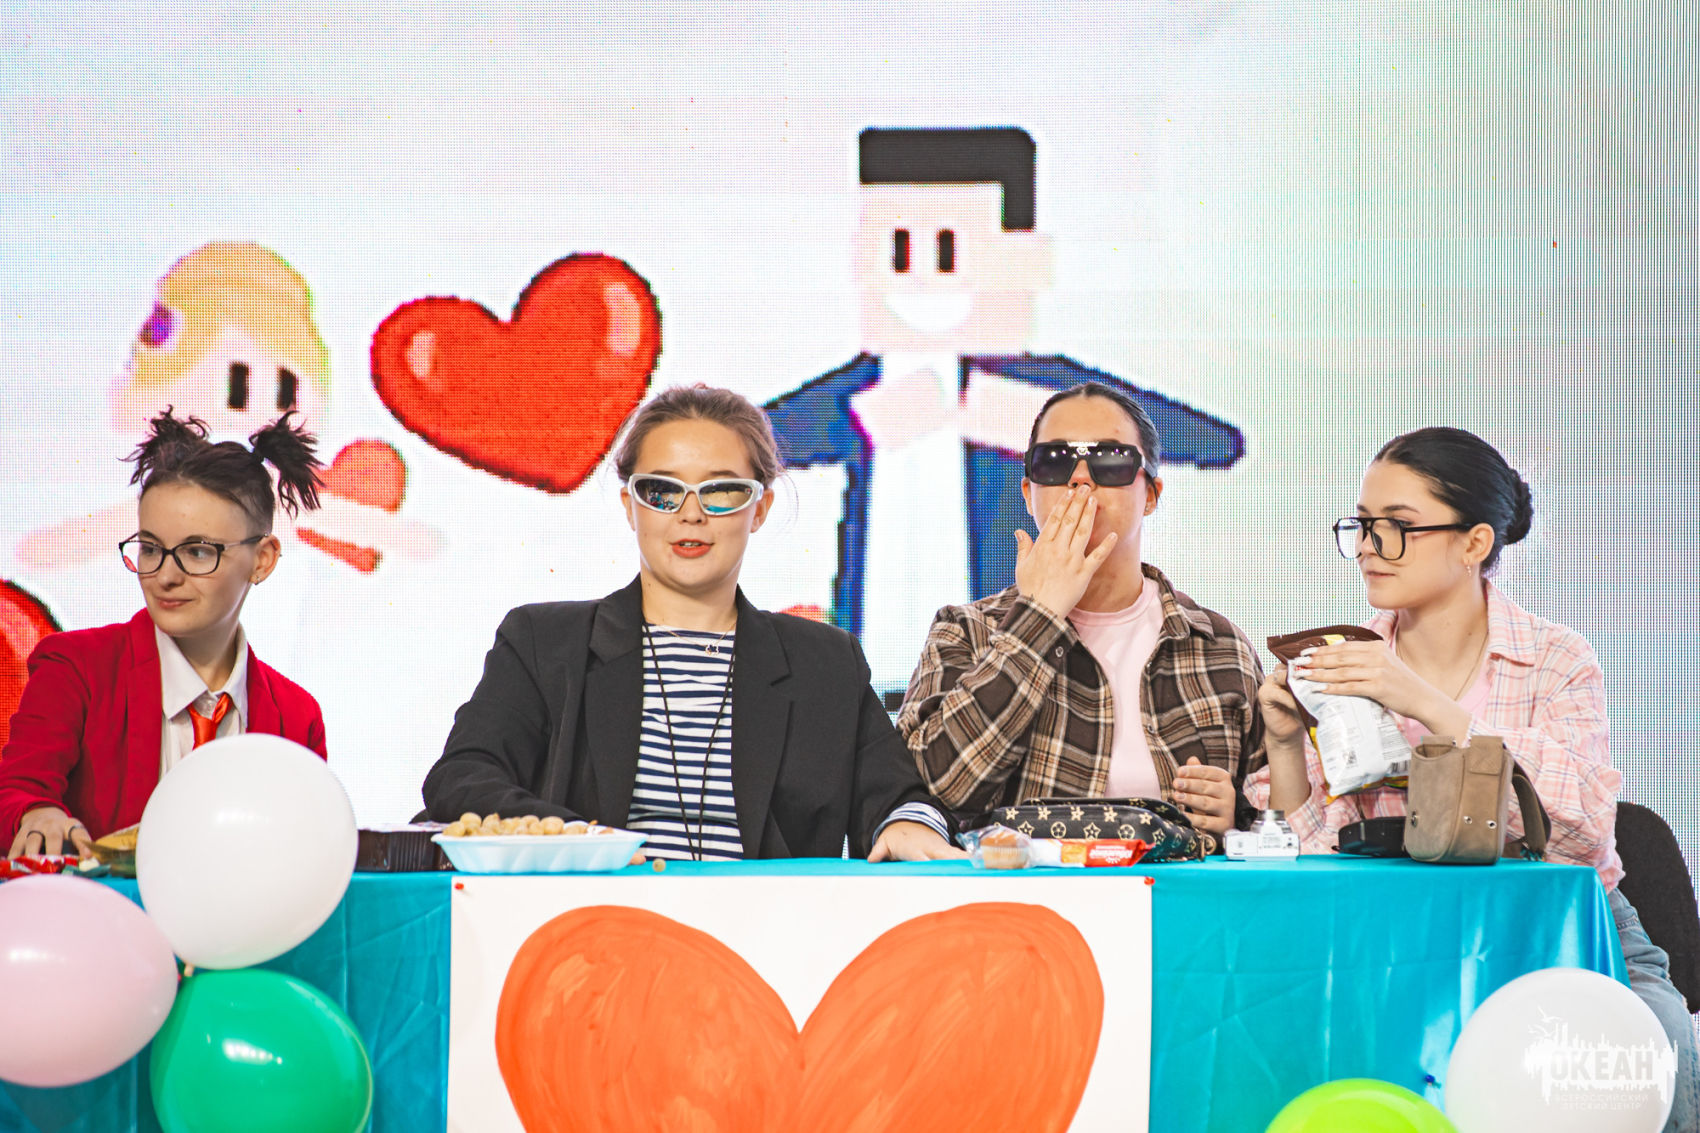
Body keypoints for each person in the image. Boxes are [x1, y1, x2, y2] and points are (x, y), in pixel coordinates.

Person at [1248, 426, 1696, 1131]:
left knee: (1654, 1062)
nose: (1367, 546)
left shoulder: (1556, 659)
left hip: (1566, 933)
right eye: (1361, 525)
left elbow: (1583, 833)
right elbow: (1313, 860)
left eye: (1397, 526)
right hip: (1394, 936)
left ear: (1475, 543)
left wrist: (1424, 702)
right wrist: (1281, 744)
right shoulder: (1342, 664)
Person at [763, 126, 1244, 699]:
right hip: (872, 678)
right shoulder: (859, 392)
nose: (923, 274)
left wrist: (1050, 427)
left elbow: (1214, 441)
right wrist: (864, 421)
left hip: (1006, 679)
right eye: (899, 248)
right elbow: (743, 443)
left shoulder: (1040, 389)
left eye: (949, 249)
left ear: (1023, 260)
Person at [421, 385, 961, 862]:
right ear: (630, 506)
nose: (691, 513)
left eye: (721, 491)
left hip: (771, 930)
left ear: (760, 508)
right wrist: (578, 842)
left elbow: (897, 798)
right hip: (590, 924)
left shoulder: (824, 661)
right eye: (662, 491)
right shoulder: (544, 643)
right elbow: (463, 776)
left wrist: (907, 823)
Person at [897, 381, 1266, 843]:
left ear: (1151, 494)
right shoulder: (964, 632)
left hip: (1173, 889)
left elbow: (1283, 828)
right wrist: (1039, 616)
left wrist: (1236, 819)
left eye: (1111, 460)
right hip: (1024, 890)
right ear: (1029, 493)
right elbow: (930, 792)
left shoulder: (1220, 648)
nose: (1081, 480)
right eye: (1055, 461)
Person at [0, 409, 328, 856]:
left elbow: (307, 852)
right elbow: (17, 789)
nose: (165, 576)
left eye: (197, 552)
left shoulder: (296, 716)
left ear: (263, 559)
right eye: (151, 549)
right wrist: (37, 812)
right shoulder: (76, 666)